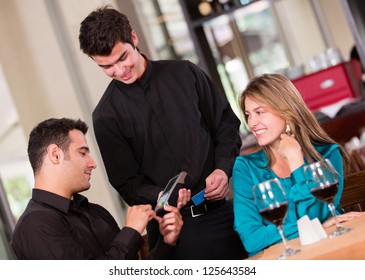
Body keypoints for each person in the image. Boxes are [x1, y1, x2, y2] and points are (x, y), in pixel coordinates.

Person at [78, 6, 247, 259]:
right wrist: (161, 195)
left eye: (122, 58)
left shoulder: (185, 73)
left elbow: (225, 124)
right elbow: (126, 182)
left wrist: (223, 168)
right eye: (107, 67)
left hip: (224, 217)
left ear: (133, 38)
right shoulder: (106, 116)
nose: (119, 70)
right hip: (172, 235)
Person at [11, 118, 190, 260]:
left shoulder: (96, 212)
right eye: (82, 153)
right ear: (55, 154)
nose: (93, 163)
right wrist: (131, 232)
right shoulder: (35, 225)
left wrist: (167, 243)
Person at [232, 73, 363, 257]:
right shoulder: (245, 168)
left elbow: (321, 211)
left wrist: (296, 163)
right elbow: (252, 240)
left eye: (260, 112)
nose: (252, 123)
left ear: (286, 111)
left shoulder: (327, 154)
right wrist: (314, 224)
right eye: (248, 115)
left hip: (332, 252)